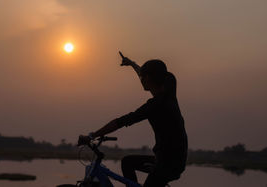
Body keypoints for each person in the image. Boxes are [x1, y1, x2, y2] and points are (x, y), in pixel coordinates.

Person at [79, 51, 188, 187]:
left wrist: (92, 135)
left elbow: (121, 122)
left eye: (143, 77)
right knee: (127, 162)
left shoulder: (155, 105)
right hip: (173, 159)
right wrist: (132, 64)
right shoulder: (169, 90)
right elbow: (145, 76)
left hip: (167, 165)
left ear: (148, 78)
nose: (140, 78)